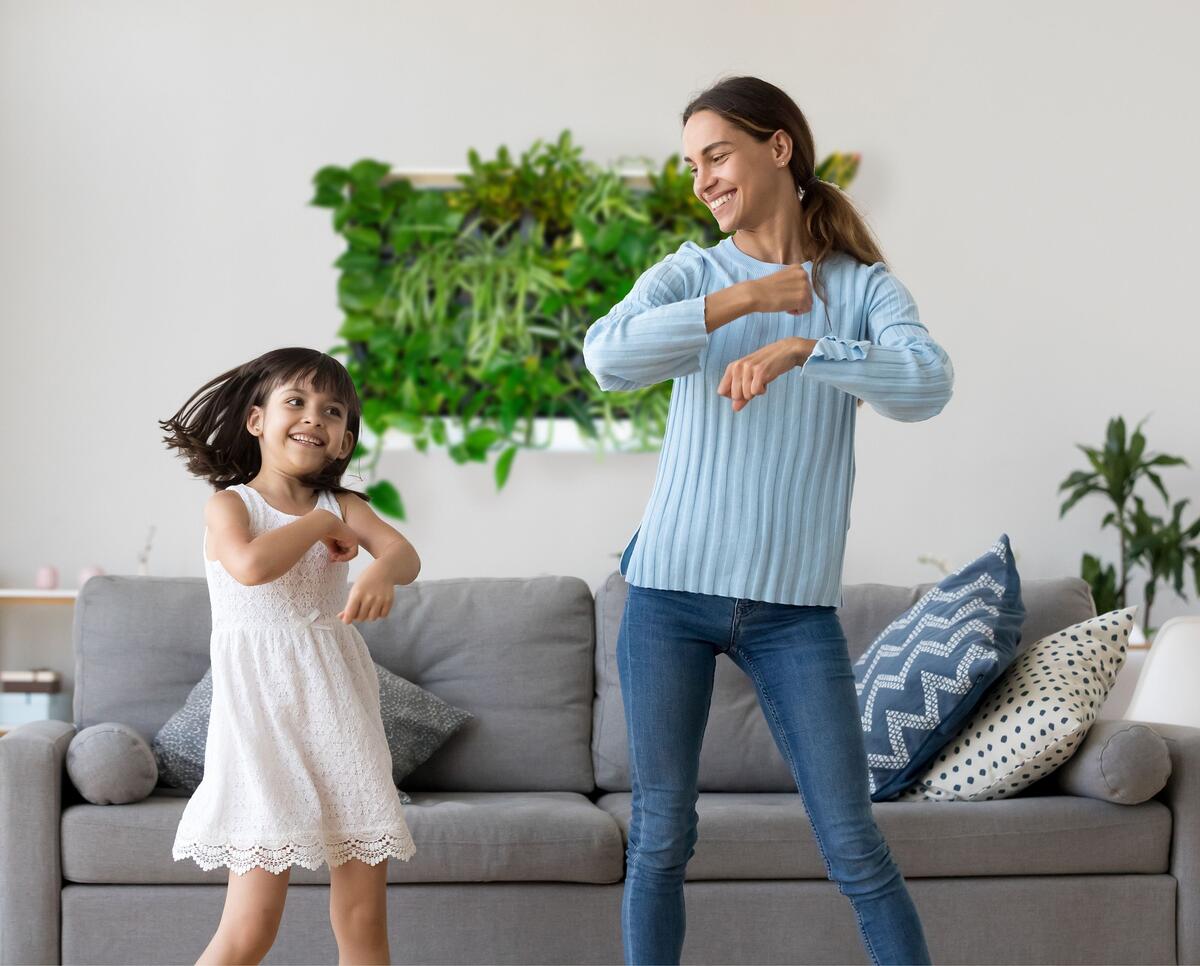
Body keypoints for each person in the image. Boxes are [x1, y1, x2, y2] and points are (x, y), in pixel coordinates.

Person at [583, 76, 953, 966]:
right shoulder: (692, 272)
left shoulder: (863, 290)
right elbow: (606, 357)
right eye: (691, 166)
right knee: (662, 839)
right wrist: (746, 302)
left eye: (716, 156)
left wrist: (809, 348)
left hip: (795, 613)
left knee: (854, 846)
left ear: (777, 148)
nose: (702, 179)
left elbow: (928, 384)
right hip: (668, 595)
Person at [159, 346, 421, 965]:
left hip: (340, 715)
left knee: (363, 920)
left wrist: (379, 567)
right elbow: (250, 567)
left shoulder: (346, 506)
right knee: (252, 927)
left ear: (344, 440)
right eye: (296, 402)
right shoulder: (230, 505)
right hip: (260, 729)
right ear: (257, 420)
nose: (314, 417)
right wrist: (318, 528)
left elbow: (405, 556)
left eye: (332, 411)